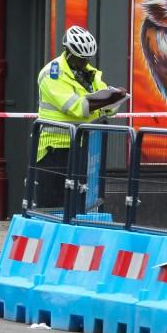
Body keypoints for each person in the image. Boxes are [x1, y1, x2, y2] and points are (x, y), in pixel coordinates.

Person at [34, 26, 127, 210]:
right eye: (80, 58)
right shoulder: (52, 74)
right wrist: (108, 100)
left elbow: (106, 108)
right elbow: (76, 107)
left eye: (87, 58)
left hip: (84, 147)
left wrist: (116, 99)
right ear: (67, 51)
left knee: (80, 205)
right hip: (54, 149)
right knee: (52, 207)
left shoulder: (89, 73)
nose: (84, 62)